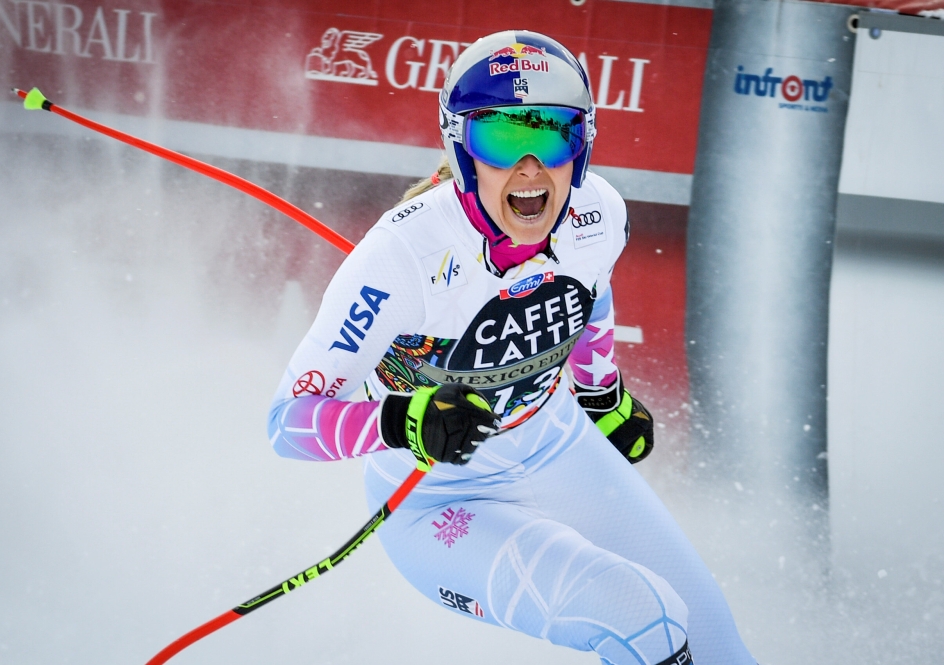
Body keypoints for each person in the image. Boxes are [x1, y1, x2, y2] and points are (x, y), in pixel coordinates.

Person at [269, 30, 756, 665]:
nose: (530, 167)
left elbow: (589, 294)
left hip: (557, 446)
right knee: (646, 619)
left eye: (552, 134)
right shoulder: (398, 259)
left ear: (580, 147)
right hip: (440, 500)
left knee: (715, 638)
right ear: (461, 149)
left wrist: (603, 398)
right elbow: (288, 423)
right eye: (500, 138)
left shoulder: (597, 214)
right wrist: (403, 418)